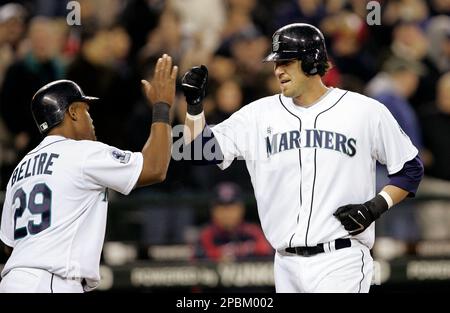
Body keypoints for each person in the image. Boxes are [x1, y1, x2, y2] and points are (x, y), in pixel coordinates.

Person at [181, 23, 424, 293]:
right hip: (285, 264)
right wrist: (194, 108)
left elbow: (410, 169)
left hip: (340, 259)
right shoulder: (258, 115)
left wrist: (375, 207)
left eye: (286, 61)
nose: (278, 70)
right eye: (276, 63)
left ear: (311, 61)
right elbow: (199, 151)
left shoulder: (364, 111)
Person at [0, 54, 178, 293]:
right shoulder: (81, 153)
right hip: (52, 281)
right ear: (72, 112)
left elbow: (9, 246)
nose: (91, 118)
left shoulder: (20, 170)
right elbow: (155, 168)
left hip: (14, 280)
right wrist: (162, 106)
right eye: (86, 110)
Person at [196, 182, 272, 262]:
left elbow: (268, 253)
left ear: (241, 209)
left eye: (231, 208)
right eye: (222, 208)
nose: (227, 213)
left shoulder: (254, 232)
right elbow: (195, 264)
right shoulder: (206, 235)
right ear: (213, 210)